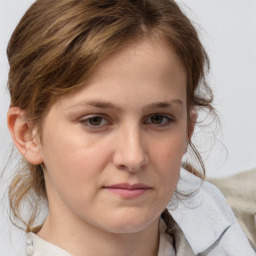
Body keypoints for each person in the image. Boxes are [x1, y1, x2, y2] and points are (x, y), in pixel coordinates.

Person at [5, 0, 255, 255]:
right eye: (95, 120)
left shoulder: (238, 234)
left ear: (187, 131)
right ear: (27, 135)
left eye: (158, 119)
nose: (133, 157)